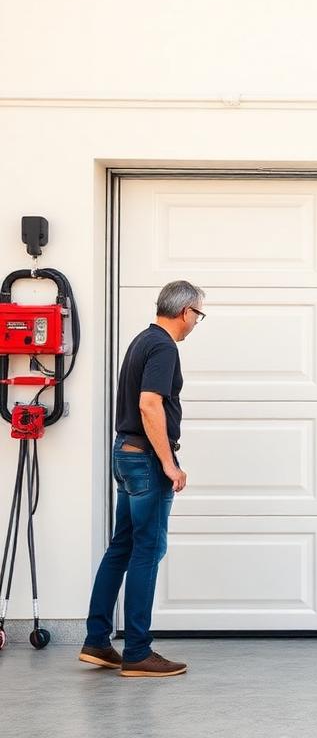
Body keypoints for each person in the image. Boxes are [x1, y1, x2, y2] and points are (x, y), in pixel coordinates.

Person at [78, 280, 205, 677]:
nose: (197, 322)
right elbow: (149, 404)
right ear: (185, 312)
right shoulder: (164, 347)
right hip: (146, 460)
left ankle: (97, 641)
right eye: (198, 314)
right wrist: (169, 463)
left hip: (126, 455)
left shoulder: (141, 341)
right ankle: (136, 651)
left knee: (122, 548)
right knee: (146, 551)